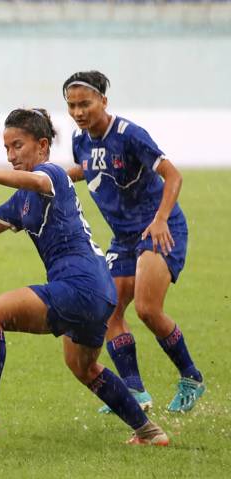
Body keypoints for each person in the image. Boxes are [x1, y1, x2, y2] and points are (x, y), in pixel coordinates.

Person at [0, 108, 169, 445]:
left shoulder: (52, 174)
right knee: (84, 368)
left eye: (17, 146)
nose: (10, 155)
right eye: (6, 148)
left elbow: (37, 181)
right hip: (99, 292)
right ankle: (149, 432)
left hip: (80, 285)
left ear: (43, 145)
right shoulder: (22, 199)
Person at [63, 71, 204, 413]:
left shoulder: (130, 135)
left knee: (147, 309)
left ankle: (191, 377)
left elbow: (173, 174)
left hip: (160, 227)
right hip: (124, 237)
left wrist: (159, 220)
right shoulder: (80, 140)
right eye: (72, 105)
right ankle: (135, 392)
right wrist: (51, 180)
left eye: (86, 103)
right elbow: (88, 168)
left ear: (104, 102)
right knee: (108, 312)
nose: (79, 112)